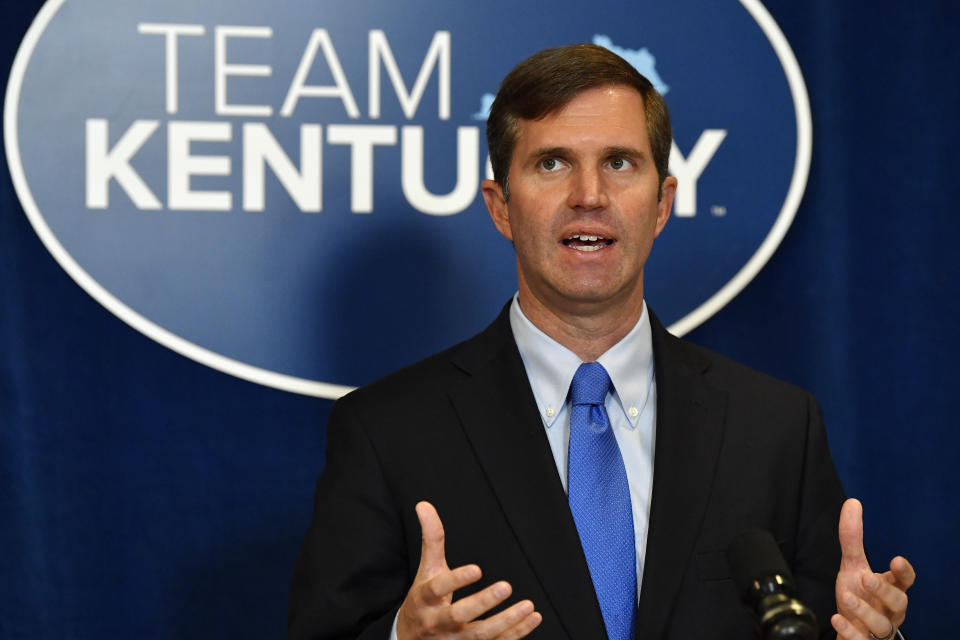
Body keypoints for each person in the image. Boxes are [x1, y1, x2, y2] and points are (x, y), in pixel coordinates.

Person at [287, 44, 914, 640]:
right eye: (552, 163)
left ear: (663, 202)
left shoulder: (776, 428)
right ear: (500, 206)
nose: (589, 196)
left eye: (619, 162)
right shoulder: (388, 431)